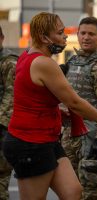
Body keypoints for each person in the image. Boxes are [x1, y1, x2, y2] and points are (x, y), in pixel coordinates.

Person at [2, 12, 97, 200]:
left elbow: (31, 97)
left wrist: (56, 110)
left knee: (73, 192)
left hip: (47, 140)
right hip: (31, 142)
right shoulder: (44, 63)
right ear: (44, 37)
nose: (65, 37)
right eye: (60, 33)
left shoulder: (26, 56)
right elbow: (75, 103)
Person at [60, 16, 97, 200]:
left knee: (92, 193)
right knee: (70, 192)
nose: (86, 37)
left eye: (91, 34)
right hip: (70, 136)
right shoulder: (73, 62)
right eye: (83, 33)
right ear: (77, 35)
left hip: (91, 137)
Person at [0, 25, 17, 200]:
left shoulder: (9, 62)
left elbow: (11, 95)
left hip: (3, 130)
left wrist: (1, 124)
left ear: (2, 38)